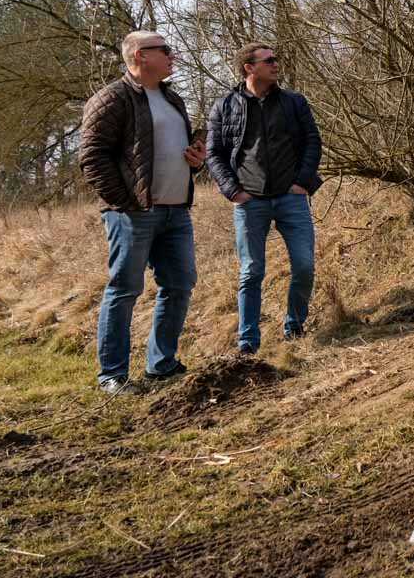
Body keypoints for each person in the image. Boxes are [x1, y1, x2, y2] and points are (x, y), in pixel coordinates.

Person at [78, 31, 206, 395]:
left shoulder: (173, 98)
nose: (172, 55)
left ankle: (161, 366)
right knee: (125, 289)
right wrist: (126, 203)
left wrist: (195, 163)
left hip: (176, 211)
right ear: (139, 55)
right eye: (163, 50)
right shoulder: (112, 98)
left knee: (180, 284)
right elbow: (92, 157)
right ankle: (113, 376)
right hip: (132, 214)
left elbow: (168, 154)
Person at [206, 43, 322, 355]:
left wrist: (302, 183)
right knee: (251, 272)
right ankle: (248, 343)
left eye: (276, 58)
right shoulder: (224, 107)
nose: (276, 64)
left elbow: (313, 142)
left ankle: (294, 325)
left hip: (291, 197)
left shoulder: (294, 103)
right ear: (249, 67)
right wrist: (233, 191)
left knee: (304, 265)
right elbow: (213, 154)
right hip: (249, 201)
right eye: (269, 60)